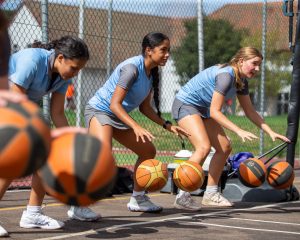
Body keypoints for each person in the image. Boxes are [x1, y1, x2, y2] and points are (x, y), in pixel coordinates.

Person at [0, 35, 100, 236]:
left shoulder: (63, 76)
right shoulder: (32, 61)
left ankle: (33, 213)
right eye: (74, 68)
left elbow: (57, 113)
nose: (76, 73)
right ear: (61, 58)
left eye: (79, 69)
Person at [171, 47, 290, 210]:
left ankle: (211, 194)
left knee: (224, 147)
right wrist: (238, 130)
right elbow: (215, 111)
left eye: (259, 65)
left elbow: (250, 111)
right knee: (203, 147)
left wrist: (270, 131)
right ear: (241, 61)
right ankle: (182, 195)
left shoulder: (241, 81)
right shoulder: (226, 76)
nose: (257, 69)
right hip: (186, 105)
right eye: (254, 64)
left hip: (203, 109)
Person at [85, 32, 189, 213]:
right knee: (102, 156)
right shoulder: (132, 69)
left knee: (148, 150)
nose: (167, 54)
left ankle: (138, 198)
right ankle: (78, 203)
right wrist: (136, 126)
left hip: (117, 115)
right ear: (149, 50)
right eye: (163, 50)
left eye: (168, 50)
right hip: (100, 111)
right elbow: (114, 104)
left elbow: (145, 108)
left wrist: (167, 125)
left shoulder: (151, 73)